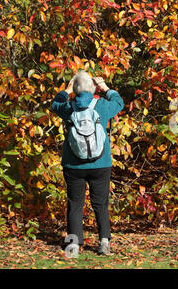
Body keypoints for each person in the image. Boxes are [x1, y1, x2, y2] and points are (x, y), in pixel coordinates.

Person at [51, 70, 124, 255]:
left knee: (75, 203)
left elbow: (55, 104)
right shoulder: (102, 106)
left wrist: (66, 91)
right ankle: (104, 243)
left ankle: (74, 245)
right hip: (101, 164)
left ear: (75, 90)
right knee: (100, 203)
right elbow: (119, 102)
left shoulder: (68, 107)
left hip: (73, 165)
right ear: (93, 88)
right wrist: (105, 87)